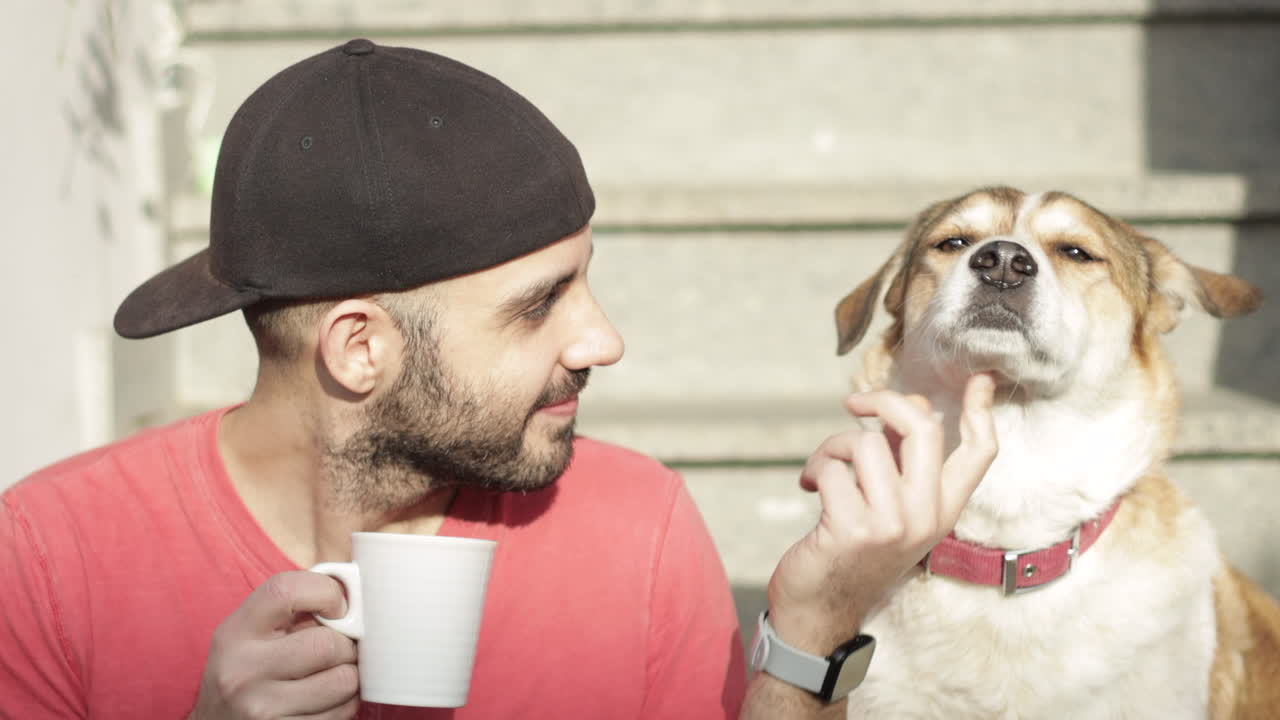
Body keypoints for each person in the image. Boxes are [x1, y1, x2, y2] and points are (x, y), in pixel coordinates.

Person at [0, 39, 996, 719]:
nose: (601, 340)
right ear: (358, 349)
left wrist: (814, 624)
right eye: (537, 303)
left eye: (586, 283)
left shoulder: (635, 526)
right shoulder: (49, 560)